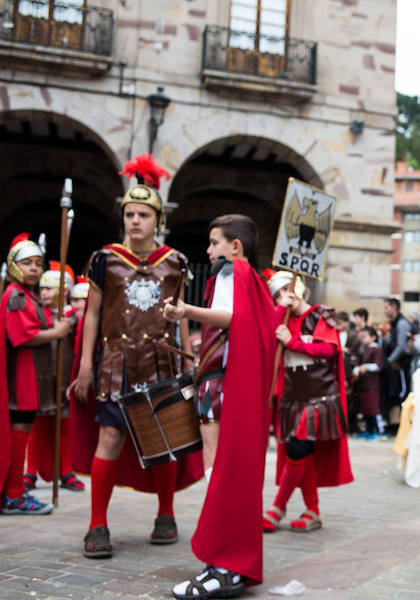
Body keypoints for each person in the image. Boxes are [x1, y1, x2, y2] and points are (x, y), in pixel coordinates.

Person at [69, 154, 201, 558]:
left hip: (162, 361)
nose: (135, 221)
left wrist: (187, 360)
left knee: (163, 440)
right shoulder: (104, 260)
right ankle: (97, 525)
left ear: (156, 219)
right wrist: (86, 366)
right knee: (110, 436)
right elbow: (91, 314)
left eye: (143, 214)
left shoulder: (176, 262)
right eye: (129, 214)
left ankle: (166, 514)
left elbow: (179, 318)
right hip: (116, 363)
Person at [163, 214, 275, 598]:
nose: (209, 251)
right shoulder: (255, 281)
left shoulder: (233, 273)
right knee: (231, 471)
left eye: (214, 243)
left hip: (222, 386)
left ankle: (224, 563)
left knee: (220, 471)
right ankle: (228, 561)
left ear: (234, 246)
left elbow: (233, 319)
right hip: (232, 386)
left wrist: (186, 311)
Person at [262, 271, 353, 534]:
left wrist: (294, 343)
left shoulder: (320, 314)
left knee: (298, 447)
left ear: (298, 289)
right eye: (277, 295)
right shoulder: (282, 319)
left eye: (285, 291)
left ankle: (278, 507)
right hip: (292, 398)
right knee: (302, 453)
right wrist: (280, 311)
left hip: (320, 395)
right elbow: (268, 341)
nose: (283, 297)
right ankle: (312, 510)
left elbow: (330, 349)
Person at [1, 234, 68, 515]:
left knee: (23, 429)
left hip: (31, 377)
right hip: (21, 376)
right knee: (20, 430)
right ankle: (14, 494)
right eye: (27, 263)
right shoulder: (15, 295)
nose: (33, 269)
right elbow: (22, 336)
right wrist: (57, 332)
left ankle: (14, 488)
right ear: (14, 266)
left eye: (38, 264)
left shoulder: (27, 296)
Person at [23, 263, 84, 493]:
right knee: (37, 426)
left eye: (49, 289)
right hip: (41, 378)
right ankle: (30, 472)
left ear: (65, 291)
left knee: (65, 425)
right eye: (43, 289)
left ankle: (66, 471)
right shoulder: (37, 312)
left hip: (64, 378)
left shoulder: (73, 315)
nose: (44, 293)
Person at [381, 298, 412, 434]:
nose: (384, 310)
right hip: (393, 367)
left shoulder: (402, 323)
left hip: (400, 367)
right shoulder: (393, 324)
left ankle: (399, 426)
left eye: (386, 307)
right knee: (392, 396)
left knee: (400, 395)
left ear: (394, 307)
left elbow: (401, 346)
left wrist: (388, 360)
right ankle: (393, 425)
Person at [354, 326, 383, 439]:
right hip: (363, 383)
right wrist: (356, 370)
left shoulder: (377, 350)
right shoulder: (363, 349)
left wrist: (365, 367)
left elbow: (378, 365)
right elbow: (357, 363)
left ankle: (379, 431)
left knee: (373, 408)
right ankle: (368, 429)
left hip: (373, 383)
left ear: (373, 337)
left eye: (365, 336)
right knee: (365, 408)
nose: (363, 338)